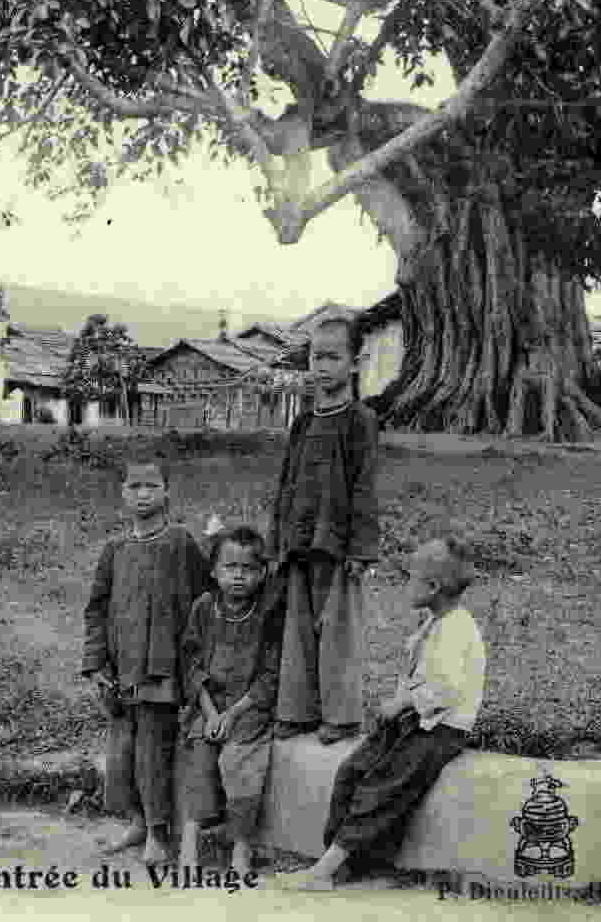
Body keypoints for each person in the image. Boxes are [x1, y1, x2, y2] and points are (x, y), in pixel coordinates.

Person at [271, 537, 486, 892]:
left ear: (432, 587)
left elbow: (446, 690)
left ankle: (325, 871)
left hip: (439, 730)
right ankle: (341, 864)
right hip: (416, 721)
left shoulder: (457, 629)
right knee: (352, 771)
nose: (405, 585)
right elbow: (421, 676)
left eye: (410, 578)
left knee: (379, 789)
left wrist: (401, 704)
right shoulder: (435, 620)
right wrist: (400, 705)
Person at [82, 460, 210, 865]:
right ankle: (136, 821)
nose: (142, 494)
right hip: (121, 670)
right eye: (134, 486)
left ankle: (159, 833)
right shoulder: (114, 550)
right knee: (122, 750)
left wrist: (192, 665)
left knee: (152, 750)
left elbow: (203, 601)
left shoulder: (180, 543)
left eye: (151, 486)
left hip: (161, 668)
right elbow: (96, 609)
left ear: (166, 493)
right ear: (122, 494)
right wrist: (96, 663)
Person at [269, 315, 380, 745]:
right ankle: (297, 710)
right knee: (297, 625)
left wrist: (361, 548)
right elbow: (286, 483)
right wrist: (277, 539)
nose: (322, 366)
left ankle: (342, 715)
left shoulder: (360, 420)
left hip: (338, 545)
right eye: (317, 356)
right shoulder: (301, 423)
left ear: (354, 363)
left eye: (334, 357)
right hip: (299, 541)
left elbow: (365, 485)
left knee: (337, 630)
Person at [175, 524, 283, 874]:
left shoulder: (265, 614)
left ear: (262, 572)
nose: (238, 576)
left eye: (248, 568)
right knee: (200, 758)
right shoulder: (204, 608)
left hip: (247, 709)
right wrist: (208, 712)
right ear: (214, 571)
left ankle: (241, 845)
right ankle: (189, 843)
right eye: (230, 567)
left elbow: (270, 674)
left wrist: (234, 713)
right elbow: (190, 663)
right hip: (208, 706)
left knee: (240, 764)